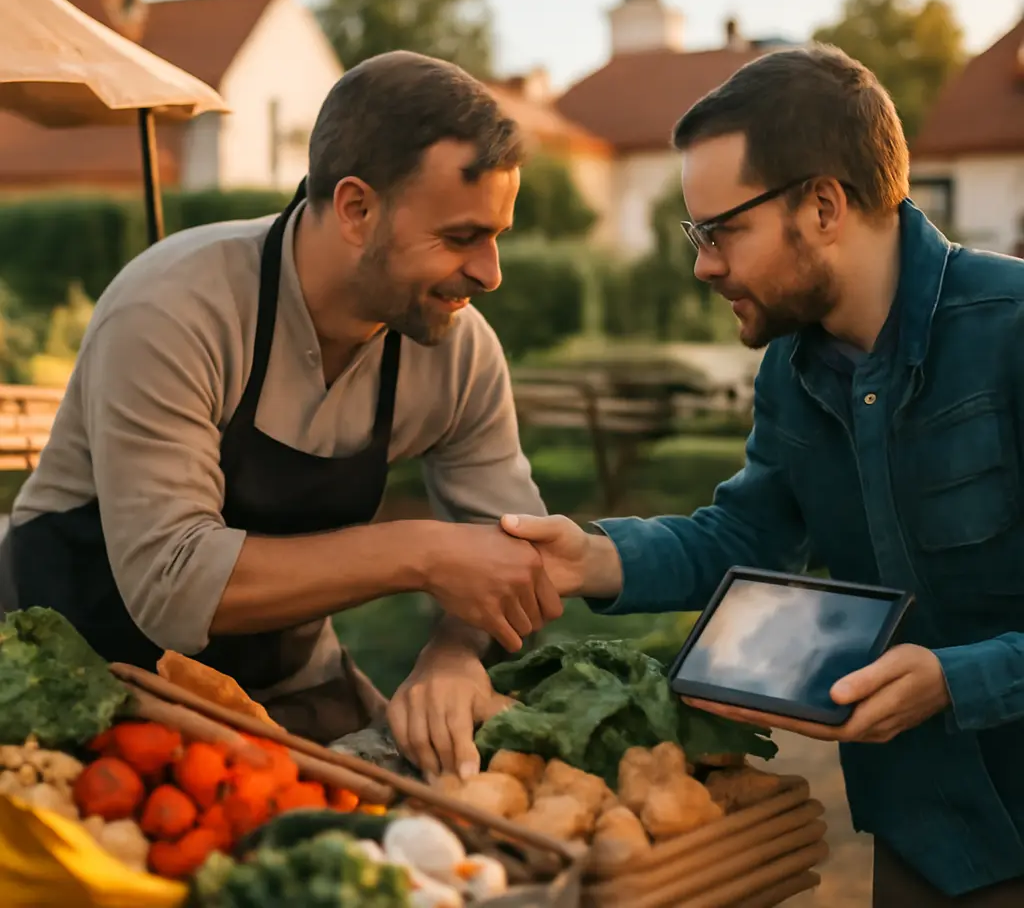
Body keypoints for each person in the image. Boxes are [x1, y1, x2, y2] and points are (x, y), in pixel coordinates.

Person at [491, 44, 1024, 905]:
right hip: (932, 832)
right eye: (693, 235)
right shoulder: (793, 370)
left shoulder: (1012, 328)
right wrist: (590, 558)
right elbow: (747, 535)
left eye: (720, 231)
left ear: (822, 206)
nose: (701, 264)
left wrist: (956, 680)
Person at [0, 51, 562, 773]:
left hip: (284, 678)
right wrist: (424, 553)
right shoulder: (174, 308)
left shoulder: (456, 350)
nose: (491, 274)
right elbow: (173, 588)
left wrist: (453, 657)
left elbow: (517, 558)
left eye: (496, 236)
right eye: (460, 238)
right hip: (70, 672)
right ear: (357, 209)